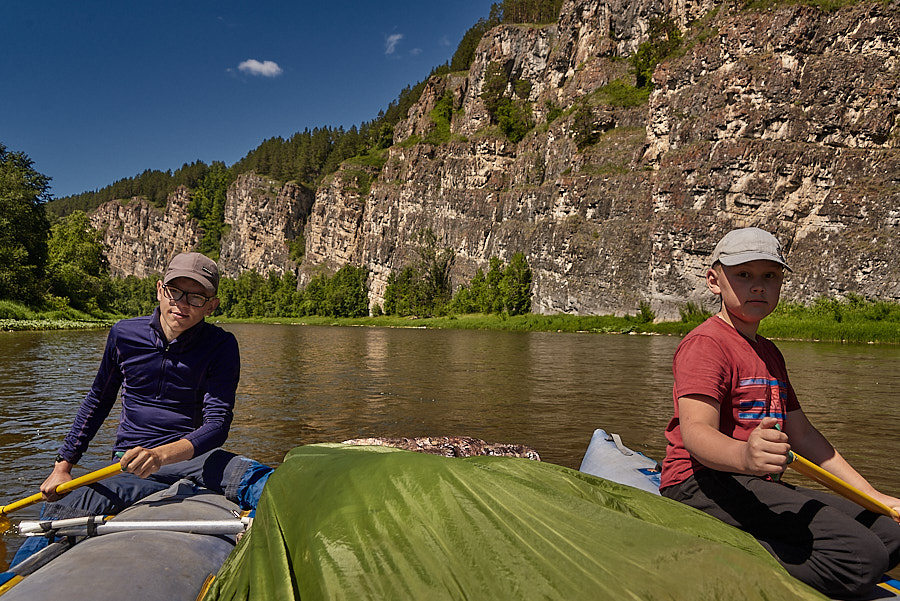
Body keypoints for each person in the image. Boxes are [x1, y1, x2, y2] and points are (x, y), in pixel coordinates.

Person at [660, 227, 900, 598]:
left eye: (769, 276)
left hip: (753, 482)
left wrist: (873, 497)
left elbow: (803, 436)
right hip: (699, 483)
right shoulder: (705, 344)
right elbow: (695, 433)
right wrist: (744, 454)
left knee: (891, 531)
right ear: (714, 280)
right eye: (744, 275)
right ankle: (720, 557)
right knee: (862, 557)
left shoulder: (770, 352)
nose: (758, 286)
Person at [13, 252, 272, 565]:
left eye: (196, 297)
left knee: (263, 482)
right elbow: (97, 401)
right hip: (129, 462)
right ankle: (17, 581)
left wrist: (162, 455)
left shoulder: (222, 345)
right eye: (175, 292)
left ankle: (261, 545)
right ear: (160, 289)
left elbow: (217, 424)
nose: (181, 303)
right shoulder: (124, 334)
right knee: (59, 509)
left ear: (212, 305)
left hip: (194, 459)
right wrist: (63, 465)